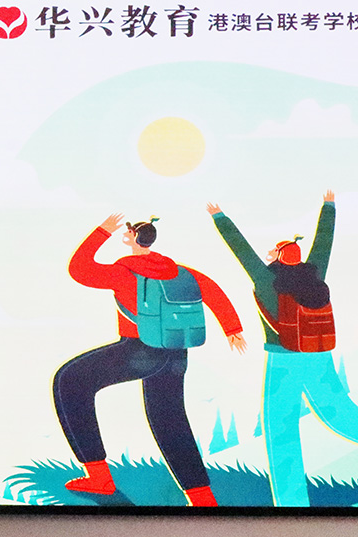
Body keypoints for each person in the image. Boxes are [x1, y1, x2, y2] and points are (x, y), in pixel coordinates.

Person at [52, 213, 246, 506]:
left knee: (70, 381)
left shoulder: (123, 271)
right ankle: (202, 498)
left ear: (131, 237)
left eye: (128, 232)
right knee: (169, 419)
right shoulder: (179, 271)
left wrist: (102, 231)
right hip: (176, 350)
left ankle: (99, 477)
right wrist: (232, 329)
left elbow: (79, 269)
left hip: (139, 350)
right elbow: (212, 291)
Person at [209, 191, 358, 506]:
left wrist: (219, 217)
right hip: (319, 354)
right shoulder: (314, 273)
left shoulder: (266, 279)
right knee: (343, 416)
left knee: (281, 434)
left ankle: (292, 504)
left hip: (283, 361)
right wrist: (328, 206)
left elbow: (241, 249)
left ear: (278, 257)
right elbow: (324, 242)